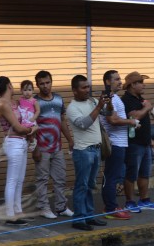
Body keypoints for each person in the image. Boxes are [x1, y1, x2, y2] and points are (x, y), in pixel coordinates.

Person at [65, 75, 112, 231]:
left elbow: (107, 113)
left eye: (88, 86)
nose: (87, 90)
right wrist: (98, 106)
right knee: (81, 185)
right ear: (74, 90)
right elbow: (84, 124)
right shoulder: (72, 108)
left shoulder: (91, 101)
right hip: (83, 151)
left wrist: (108, 102)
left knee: (90, 185)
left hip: (96, 149)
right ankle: (78, 218)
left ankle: (89, 216)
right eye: (83, 87)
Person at [0, 76, 37, 226]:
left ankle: (18, 211)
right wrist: (32, 129)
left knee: (19, 179)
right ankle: (10, 214)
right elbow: (18, 127)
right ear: (9, 86)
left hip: (21, 141)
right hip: (13, 142)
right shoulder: (3, 104)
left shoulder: (13, 102)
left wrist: (29, 131)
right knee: (12, 180)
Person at [32, 70, 75, 220]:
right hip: (42, 148)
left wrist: (70, 140)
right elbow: (31, 125)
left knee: (60, 178)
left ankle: (61, 207)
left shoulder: (58, 98)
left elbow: (62, 120)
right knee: (42, 179)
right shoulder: (34, 102)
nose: (45, 86)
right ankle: (43, 207)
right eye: (41, 83)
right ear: (37, 85)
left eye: (47, 82)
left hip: (57, 147)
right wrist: (35, 148)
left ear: (51, 82)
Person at [100, 69, 139, 220]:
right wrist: (132, 121)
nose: (120, 81)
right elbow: (113, 120)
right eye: (116, 79)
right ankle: (110, 208)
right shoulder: (108, 98)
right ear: (107, 82)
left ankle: (112, 205)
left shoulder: (114, 97)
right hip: (114, 143)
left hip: (120, 143)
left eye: (119, 78)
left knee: (114, 176)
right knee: (111, 177)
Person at [120, 71, 154, 213]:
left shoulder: (139, 99)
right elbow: (134, 117)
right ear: (132, 85)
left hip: (145, 143)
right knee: (131, 174)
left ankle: (144, 200)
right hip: (133, 144)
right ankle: (129, 202)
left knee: (144, 173)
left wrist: (150, 139)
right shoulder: (126, 100)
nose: (144, 85)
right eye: (141, 82)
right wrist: (147, 108)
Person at [17, 80, 40, 152]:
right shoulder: (20, 100)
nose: (27, 92)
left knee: (30, 132)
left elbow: (38, 111)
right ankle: (27, 143)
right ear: (21, 90)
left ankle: (33, 141)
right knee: (24, 132)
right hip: (23, 118)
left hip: (30, 118)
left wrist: (34, 118)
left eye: (29, 90)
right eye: (25, 90)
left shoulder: (34, 101)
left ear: (33, 90)